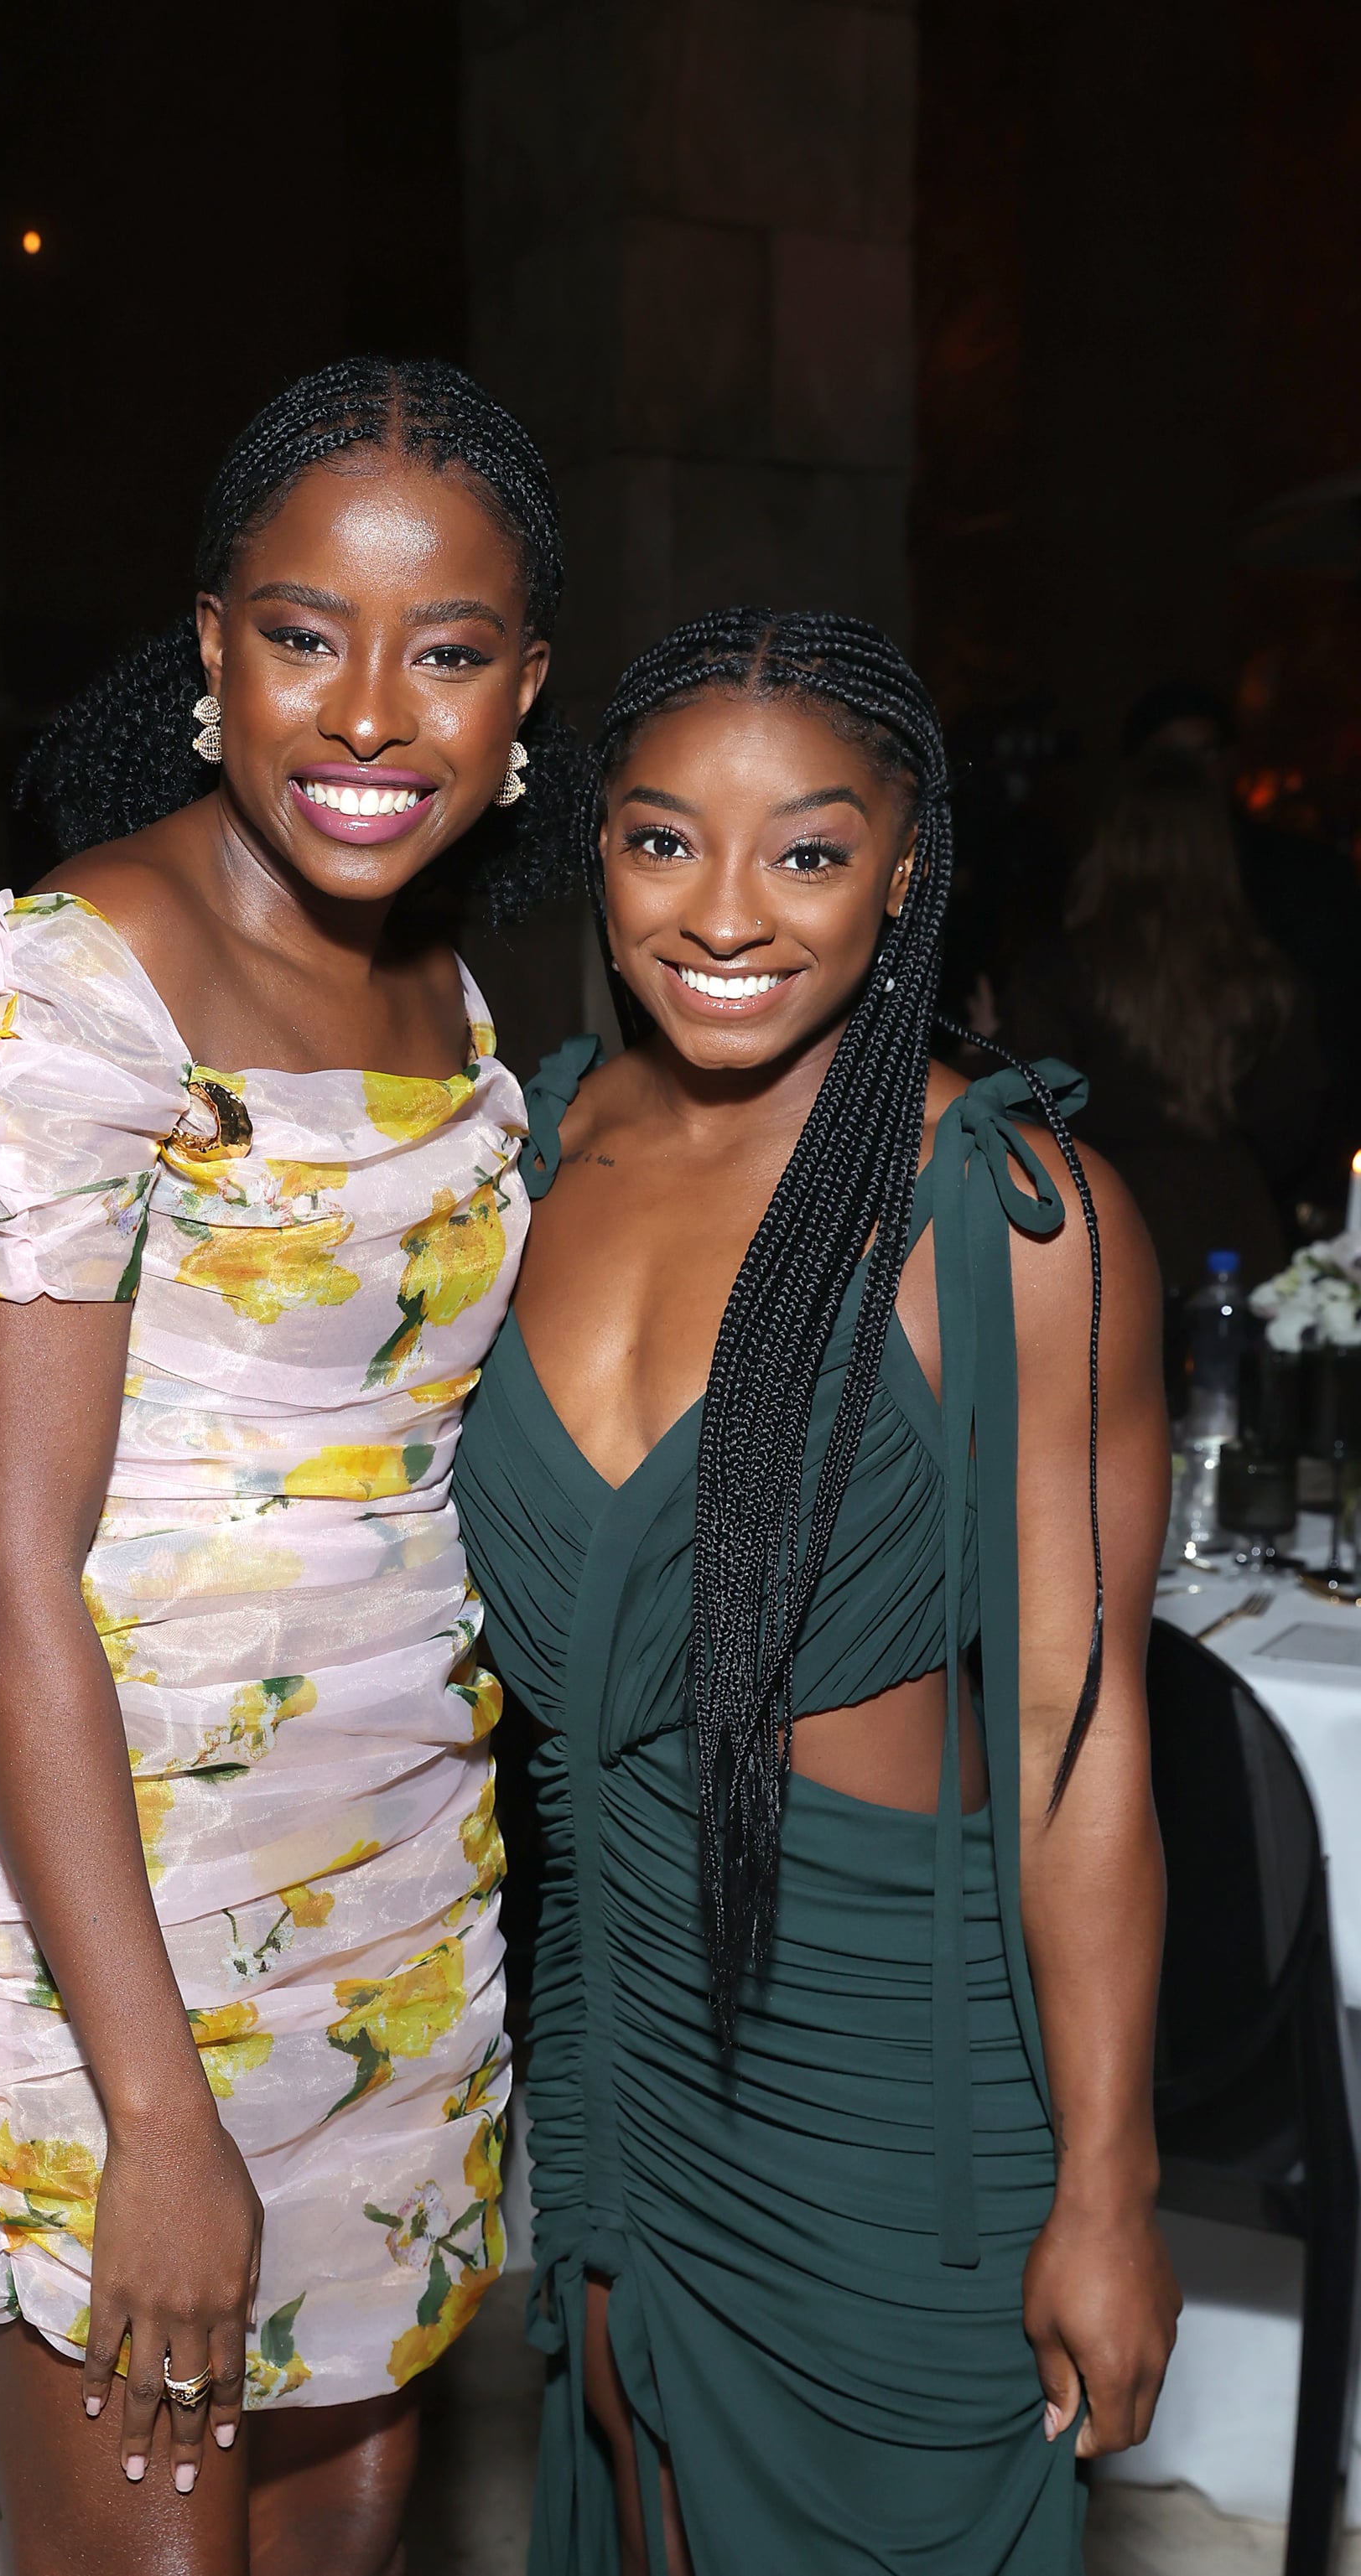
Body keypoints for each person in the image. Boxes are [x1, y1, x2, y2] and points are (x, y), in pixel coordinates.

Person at [0, 357, 576, 2576]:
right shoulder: (69, 986)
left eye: (444, 650)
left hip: (393, 1885)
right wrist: (155, 2117)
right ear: (206, 651)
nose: (370, 711)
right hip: (97, 1941)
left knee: (347, 2533)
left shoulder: (449, 988)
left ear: (523, 689)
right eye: (300, 634)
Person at [453, 609, 1179, 2574]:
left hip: (881, 2067)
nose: (721, 912)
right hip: (610, 2004)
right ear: (589, 846)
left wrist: (1107, 2181)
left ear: (905, 868)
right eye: (660, 838)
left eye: (807, 848)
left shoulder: (1002, 1214)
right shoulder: (517, 1155)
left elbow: (1073, 1732)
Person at [1002, 749, 1321, 1293]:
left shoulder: (1061, 969)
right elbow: (1296, 1120)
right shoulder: (1263, 975)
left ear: (1112, 843)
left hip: (1101, 1225)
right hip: (1229, 1223)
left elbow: (1023, 1108)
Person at [1123, 677, 1361, 1221]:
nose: (1191, 775)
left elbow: (1336, 1033)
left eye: (1206, 753)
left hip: (1281, 1187)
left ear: (1230, 760)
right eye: (1173, 759)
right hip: (1133, 1203)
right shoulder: (1101, 910)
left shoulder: (1305, 876)